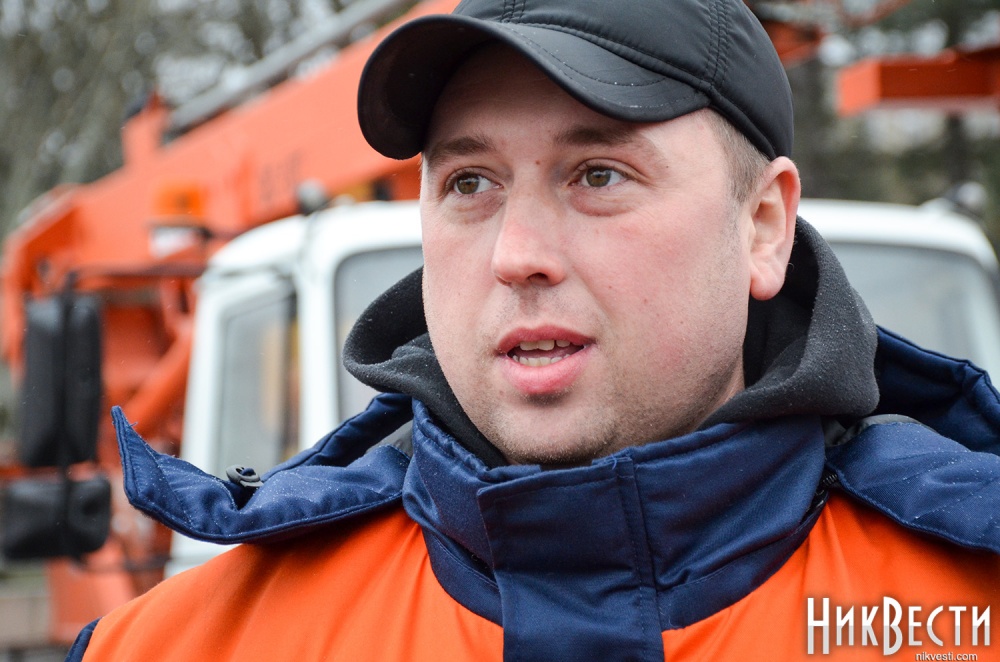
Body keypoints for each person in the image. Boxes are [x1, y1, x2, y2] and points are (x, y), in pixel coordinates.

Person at [69, 0, 1000, 660]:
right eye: (469, 183)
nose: (517, 255)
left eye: (597, 174)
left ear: (762, 227)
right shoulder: (175, 646)